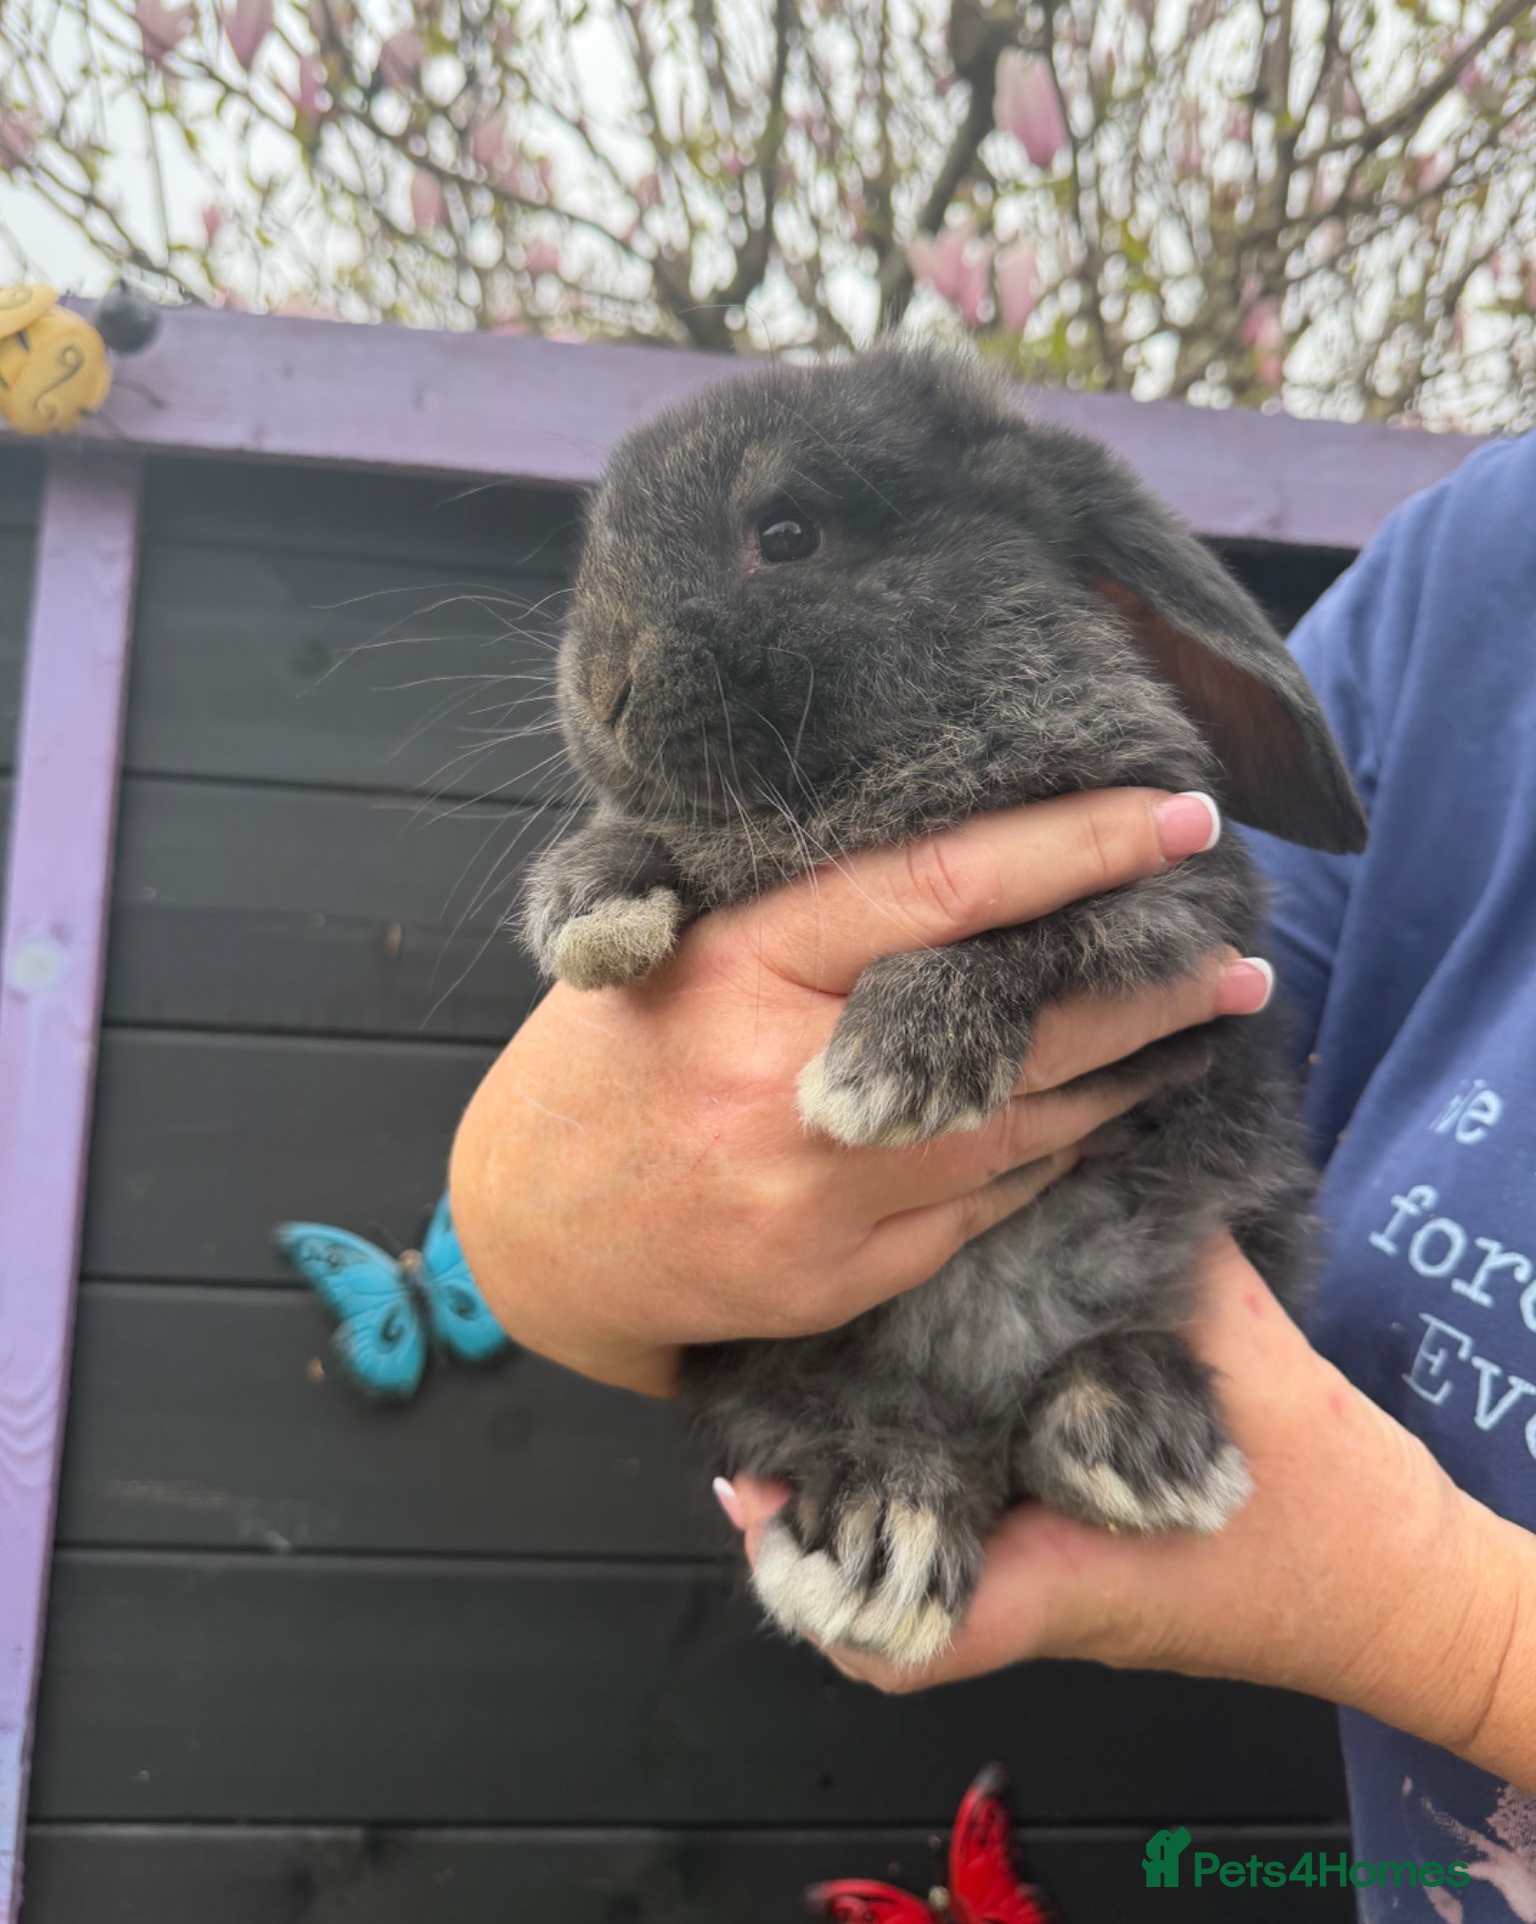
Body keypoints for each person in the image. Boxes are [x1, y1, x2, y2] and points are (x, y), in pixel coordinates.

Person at [450, 435, 1536, 1909]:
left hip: (1119, 1310)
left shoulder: (1062, 683)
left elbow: (1180, 903)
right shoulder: (1485, 565)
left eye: (784, 537)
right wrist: (534, 1216)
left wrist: (1448, 1627)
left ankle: (1084, 1396)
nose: (605, 674)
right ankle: (892, 1457)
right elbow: (1231, 974)